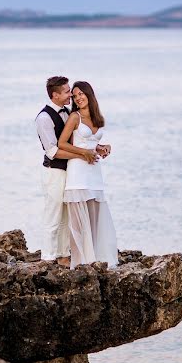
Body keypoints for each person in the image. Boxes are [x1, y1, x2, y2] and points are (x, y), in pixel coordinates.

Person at [35, 76, 102, 266]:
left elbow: (78, 141)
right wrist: (82, 155)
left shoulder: (68, 112)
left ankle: (63, 255)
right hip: (54, 172)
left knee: (66, 215)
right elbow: (53, 151)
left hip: (69, 172)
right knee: (53, 214)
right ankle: (47, 257)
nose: (71, 94)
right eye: (66, 92)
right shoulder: (44, 118)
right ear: (55, 95)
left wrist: (96, 148)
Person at [58, 81, 118, 268]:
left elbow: (91, 144)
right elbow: (62, 143)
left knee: (94, 219)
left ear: (89, 94)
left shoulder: (98, 117)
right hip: (78, 172)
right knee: (78, 223)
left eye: (81, 94)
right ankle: (78, 263)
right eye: (75, 96)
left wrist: (103, 148)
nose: (78, 98)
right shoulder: (74, 117)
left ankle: (94, 260)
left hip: (94, 173)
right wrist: (84, 153)